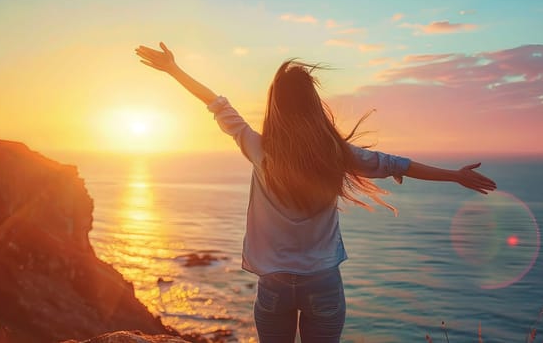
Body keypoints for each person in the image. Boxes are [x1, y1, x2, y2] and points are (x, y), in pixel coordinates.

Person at [135, 42, 497, 343]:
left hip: (274, 285)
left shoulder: (259, 149)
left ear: (276, 106)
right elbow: (398, 165)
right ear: (312, 104)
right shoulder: (337, 155)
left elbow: (217, 104)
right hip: (323, 283)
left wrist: (174, 70)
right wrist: (454, 176)